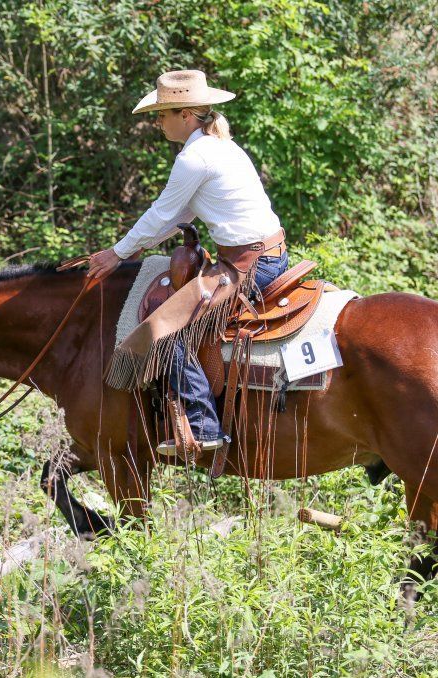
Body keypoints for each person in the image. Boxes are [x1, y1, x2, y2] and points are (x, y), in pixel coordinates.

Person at [87, 69, 288, 457]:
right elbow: (175, 216)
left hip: (248, 266)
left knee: (164, 328)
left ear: (185, 115)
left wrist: (117, 253)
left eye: (162, 115)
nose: (158, 122)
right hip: (266, 254)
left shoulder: (195, 158)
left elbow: (161, 214)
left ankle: (202, 424)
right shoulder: (221, 147)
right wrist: (131, 247)